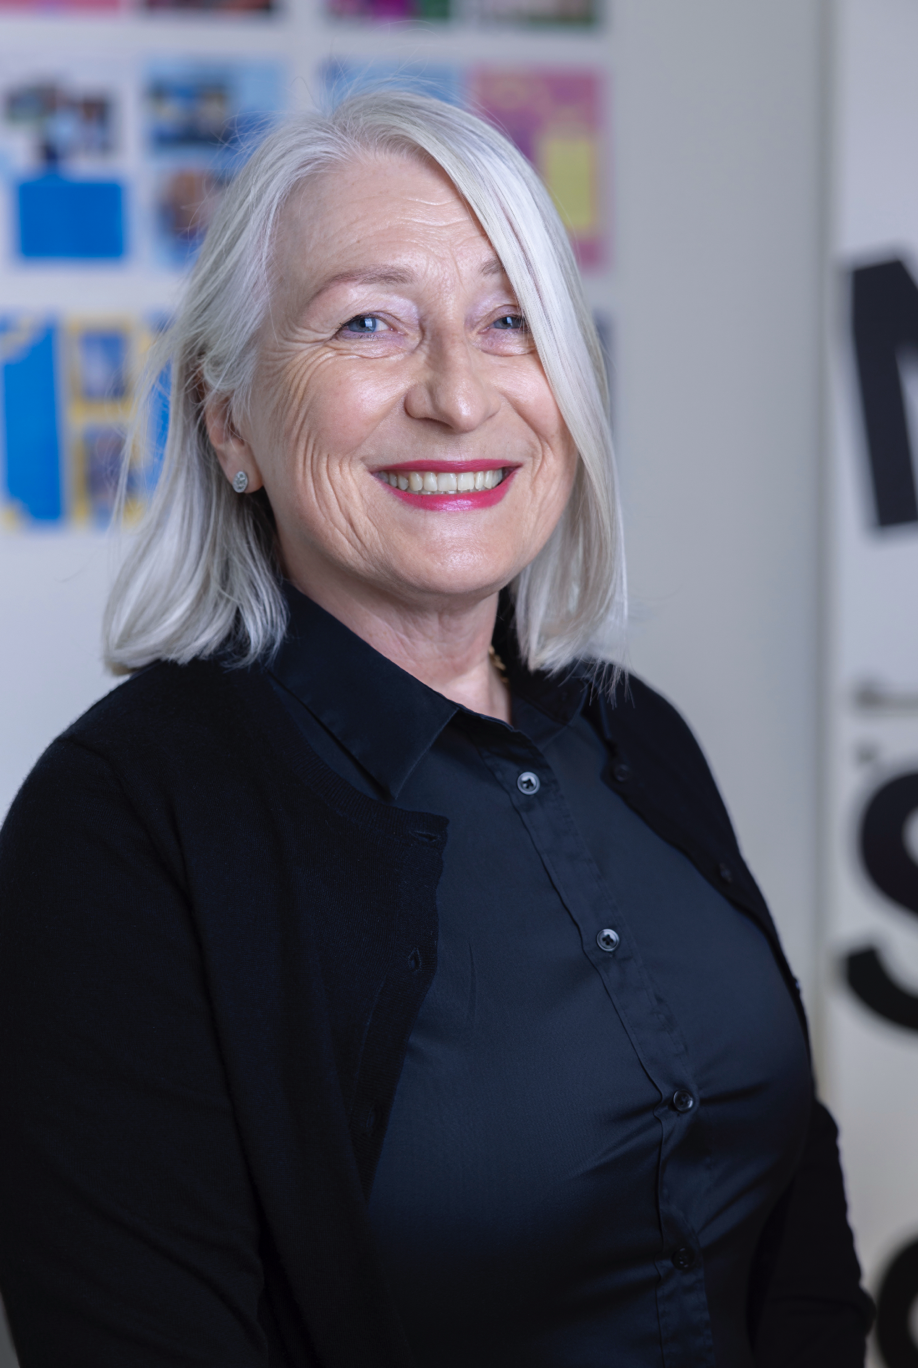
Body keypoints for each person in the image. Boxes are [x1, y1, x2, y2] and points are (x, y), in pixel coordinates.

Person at [0, 90, 873, 1368]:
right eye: (370, 323)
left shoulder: (641, 739)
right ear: (229, 419)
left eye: (509, 319)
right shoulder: (121, 828)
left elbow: (792, 1195)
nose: (459, 396)